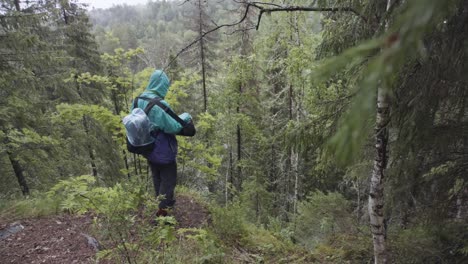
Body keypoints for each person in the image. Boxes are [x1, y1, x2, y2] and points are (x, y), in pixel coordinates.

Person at [132, 70, 194, 217]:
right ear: (161, 85)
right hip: (162, 147)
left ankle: (160, 203)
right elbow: (173, 126)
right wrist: (186, 116)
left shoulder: (137, 100)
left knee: (156, 175)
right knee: (168, 178)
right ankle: (163, 213)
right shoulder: (159, 104)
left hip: (146, 146)